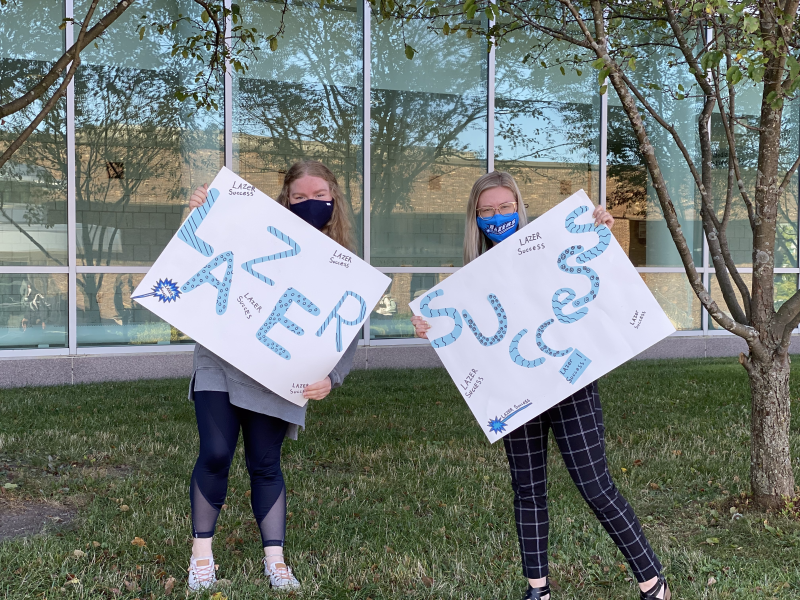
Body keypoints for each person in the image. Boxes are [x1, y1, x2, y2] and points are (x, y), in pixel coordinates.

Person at [411, 171, 670, 600]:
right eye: (487, 211)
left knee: (595, 485)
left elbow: (596, 278)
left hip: (570, 383)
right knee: (528, 491)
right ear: (475, 218)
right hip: (515, 393)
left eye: (505, 207)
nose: (497, 216)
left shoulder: (549, 246)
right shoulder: (470, 281)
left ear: (519, 207)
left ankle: (652, 582)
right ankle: (538, 591)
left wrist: (599, 232)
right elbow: (466, 335)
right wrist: (431, 326)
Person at [184, 161, 359, 592]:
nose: (309, 204)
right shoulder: (251, 232)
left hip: (279, 375)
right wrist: (198, 217)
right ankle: (201, 557)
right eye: (298, 197)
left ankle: (275, 562)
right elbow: (196, 254)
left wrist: (333, 377)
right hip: (219, 362)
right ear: (284, 200)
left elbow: (347, 326)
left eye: (318, 196)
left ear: (334, 200)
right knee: (215, 453)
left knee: (265, 463)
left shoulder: (341, 264)